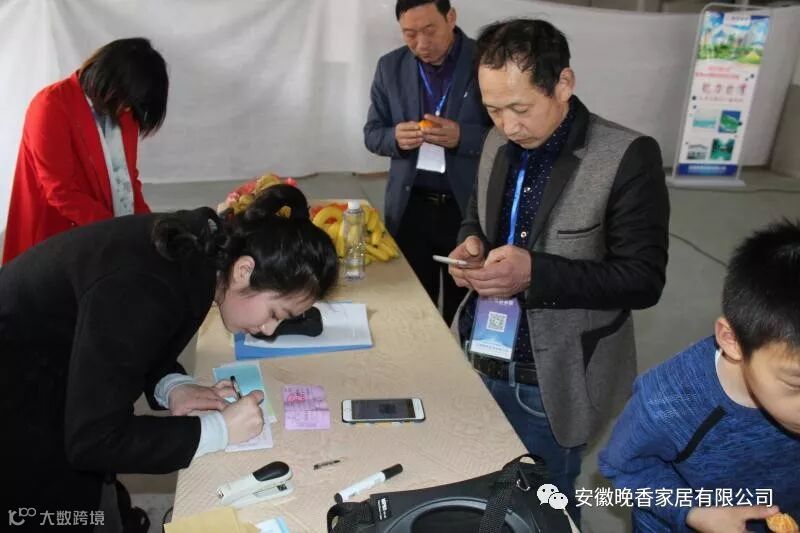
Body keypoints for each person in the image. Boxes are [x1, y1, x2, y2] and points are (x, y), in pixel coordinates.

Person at [0, 185, 338, 532]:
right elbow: (94, 438)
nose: (269, 330)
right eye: (275, 313)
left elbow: (137, 339)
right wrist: (218, 430)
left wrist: (173, 386)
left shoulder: (202, 251)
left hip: (55, 365)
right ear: (244, 270)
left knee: (94, 501)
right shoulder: (145, 284)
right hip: (18, 393)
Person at [447, 19, 670, 522]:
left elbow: (643, 278)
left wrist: (535, 273)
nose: (507, 126)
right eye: (493, 110)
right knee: (479, 494)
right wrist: (471, 243)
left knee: (545, 507)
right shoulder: (495, 142)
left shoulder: (626, 155)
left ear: (563, 83)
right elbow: (475, 214)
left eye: (520, 108)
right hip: (481, 353)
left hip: (550, 379)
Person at [599, 220, 800, 533]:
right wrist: (693, 513)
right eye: (796, 384)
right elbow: (624, 467)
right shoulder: (666, 404)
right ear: (733, 341)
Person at [364, 0, 492, 325]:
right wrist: (395, 137)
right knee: (411, 309)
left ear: (451, 17)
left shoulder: (487, 61)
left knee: (464, 311)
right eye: (410, 34)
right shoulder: (390, 67)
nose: (421, 43)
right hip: (411, 208)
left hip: (467, 211)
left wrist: (463, 136)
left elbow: (510, 134)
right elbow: (372, 134)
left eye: (430, 30)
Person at [2, 37, 168, 264]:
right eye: (129, 102)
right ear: (111, 83)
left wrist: (151, 228)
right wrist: (121, 232)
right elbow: (61, 192)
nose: (129, 109)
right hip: (54, 238)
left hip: (101, 232)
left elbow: (128, 180)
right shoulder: (50, 106)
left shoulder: (123, 109)